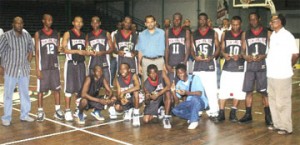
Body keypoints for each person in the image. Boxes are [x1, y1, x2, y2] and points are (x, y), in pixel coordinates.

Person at [266, 14, 299, 135]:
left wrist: (288, 66)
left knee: (283, 102)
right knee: (273, 100)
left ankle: (286, 127)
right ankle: (277, 124)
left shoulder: (287, 36)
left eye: (273, 21)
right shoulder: (274, 35)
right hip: (272, 74)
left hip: (282, 75)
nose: (271, 23)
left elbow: (295, 54)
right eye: (271, 21)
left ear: (280, 22)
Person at [239, 12, 272, 125]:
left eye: (255, 19)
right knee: (248, 91)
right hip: (250, 66)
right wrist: (245, 57)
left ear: (259, 18)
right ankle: (248, 115)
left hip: (263, 65)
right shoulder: (245, 34)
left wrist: (264, 55)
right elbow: (242, 50)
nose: (253, 21)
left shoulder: (267, 33)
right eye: (251, 19)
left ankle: (268, 116)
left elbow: (272, 50)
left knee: (264, 92)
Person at [0, 17, 34, 126]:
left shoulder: (27, 36)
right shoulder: (6, 36)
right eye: (16, 23)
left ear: (23, 24)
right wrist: (1, 66)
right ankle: (6, 117)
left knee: (24, 93)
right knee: (8, 94)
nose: (19, 25)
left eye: (21, 23)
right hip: (10, 70)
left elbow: (30, 49)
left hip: (23, 70)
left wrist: (28, 62)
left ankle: (24, 115)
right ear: (13, 24)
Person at [34, 14, 64, 121]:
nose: (50, 21)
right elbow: (37, 53)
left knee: (57, 89)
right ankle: (40, 111)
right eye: (48, 20)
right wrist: (38, 69)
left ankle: (57, 110)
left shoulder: (56, 33)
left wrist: (60, 49)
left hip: (54, 66)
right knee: (40, 90)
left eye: (51, 20)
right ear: (43, 21)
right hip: (44, 66)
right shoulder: (38, 34)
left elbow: (57, 50)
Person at [191, 13, 220, 122]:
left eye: (204, 19)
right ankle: (198, 109)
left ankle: (214, 111)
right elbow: (191, 49)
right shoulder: (194, 34)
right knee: (197, 89)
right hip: (198, 65)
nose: (202, 21)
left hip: (209, 65)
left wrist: (212, 57)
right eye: (200, 19)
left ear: (207, 20)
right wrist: (194, 57)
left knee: (211, 89)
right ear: (198, 20)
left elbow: (218, 48)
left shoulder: (213, 33)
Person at [61, 16, 90, 121]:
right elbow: (63, 49)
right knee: (69, 88)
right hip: (71, 64)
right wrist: (76, 51)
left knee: (80, 89)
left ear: (82, 24)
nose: (78, 23)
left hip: (82, 64)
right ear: (73, 23)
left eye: (80, 22)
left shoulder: (84, 35)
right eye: (77, 21)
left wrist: (90, 52)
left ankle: (78, 110)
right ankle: (67, 110)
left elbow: (86, 49)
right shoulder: (68, 33)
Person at [217, 16, 245, 122]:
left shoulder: (244, 34)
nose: (235, 26)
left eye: (237, 24)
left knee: (238, 91)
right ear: (230, 24)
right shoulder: (225, 34)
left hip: (239, 67)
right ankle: (221, 113)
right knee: (223, 90)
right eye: (233, 24)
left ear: (241, 24)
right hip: (227, 67)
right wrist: (224, 54)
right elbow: (221, 49)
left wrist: (240, 56)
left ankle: (233, 112)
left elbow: (245, 51)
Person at [172, 64, 208, 129]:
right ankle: (193, 116)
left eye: (181, 73)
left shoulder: (195, 78)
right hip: (189, 103)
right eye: (178, 73)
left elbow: (199, 93)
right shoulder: (179, 84)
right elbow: (177, 101)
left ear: (186, 72)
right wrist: (173, 91)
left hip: (200, 102)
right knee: (175, 110)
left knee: (194, 98)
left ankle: (194, 121)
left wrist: (186, 93)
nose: (180, 75)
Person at [165, 12, 190, 105]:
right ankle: (172, 106)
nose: (176, 21)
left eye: (178, 19)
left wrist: (184, 62)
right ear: (172, 20)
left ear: (181, 20)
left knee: (183, 87)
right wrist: (166, 63)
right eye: (175, 19)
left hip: (181, 63)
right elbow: (167, 49)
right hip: (171, 64)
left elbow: (188, 49)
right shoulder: (168, 31)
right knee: (172, 87)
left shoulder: (186, 32)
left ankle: (184, 106)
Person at [86, 16, 113, 84]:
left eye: (97, 23)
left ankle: (107, 94)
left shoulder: (106, 33)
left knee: (107, 82)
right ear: (91, 24)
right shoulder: (88, 35)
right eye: (93, 23)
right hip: (93, 61)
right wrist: (91, 52)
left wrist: (103, 52)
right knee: (91, 83)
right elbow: (87, 49)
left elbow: (112, 49)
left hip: (104, 61)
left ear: (100, 23)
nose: (95, 25)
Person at [137, 15, 165, 81]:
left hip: (160, 61)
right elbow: (140, 51)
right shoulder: (141, 35)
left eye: (151, 22)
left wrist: (165, 64)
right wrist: (139, 65)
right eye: (148, 22)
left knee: (160, 82)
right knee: (146, 83)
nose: (150, 24)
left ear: (155, 22)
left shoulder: (162, 33)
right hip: (146, 61)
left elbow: (166, 49)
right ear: (145, 24)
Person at [143, 64, 172, 129]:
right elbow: (147, 102)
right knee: (146, 120)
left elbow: (169, 85)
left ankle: (166, 118)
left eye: (154, 72)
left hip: (164, 95)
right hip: (155, 100)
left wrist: (158, 94)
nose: (153, 75)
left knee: (168, 92)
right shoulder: (146, 84)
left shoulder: (162, 73)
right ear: (148, 74)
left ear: (157, 72)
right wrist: (148, 97)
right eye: (151, 73)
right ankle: (159, 110)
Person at [110, 21, 122, 87]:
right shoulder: (113, 33)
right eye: (119, 25)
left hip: (122, 56)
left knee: (120, 71)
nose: (120, 26)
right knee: (112, 70)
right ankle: (111, 84)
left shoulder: (124, 33)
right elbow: (111, 44)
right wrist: (112, 53)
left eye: (121, 25)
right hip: (114, 55)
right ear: (117, 26)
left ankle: (120, 85)